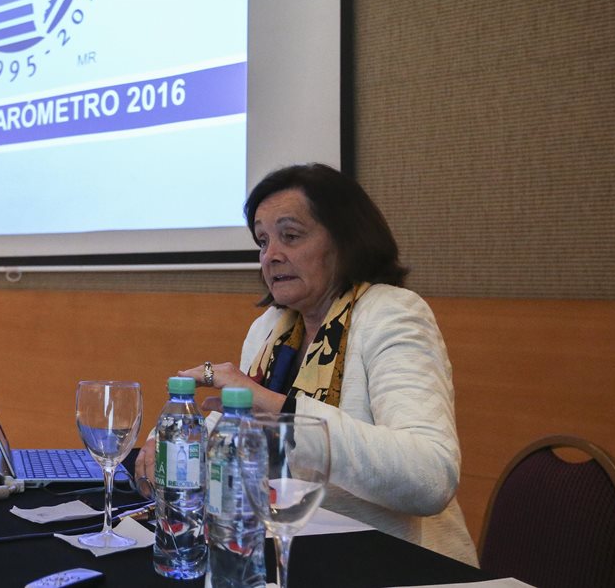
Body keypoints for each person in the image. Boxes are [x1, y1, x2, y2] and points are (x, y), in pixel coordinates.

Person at [134, 163, 478, 566]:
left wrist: (283, 412)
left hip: (390, 562)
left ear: (345, 241)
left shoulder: (392, 314)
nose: (271, 255)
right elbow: (244, 441)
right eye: (263, 241)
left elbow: (430, 476)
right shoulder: (270, 329)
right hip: (286, 553)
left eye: (290, 236)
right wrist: (178, 446)